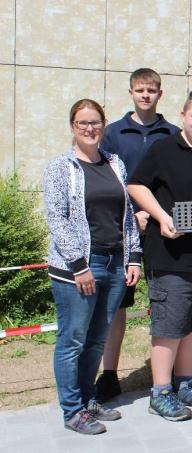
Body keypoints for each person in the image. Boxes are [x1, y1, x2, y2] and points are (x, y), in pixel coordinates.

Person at [128, 89, 192, 421]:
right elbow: (136, 185)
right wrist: (161, 216)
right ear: (184, 116)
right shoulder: (163, 149)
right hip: (170, 256)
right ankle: (160, 391)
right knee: (169, 325)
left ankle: (185, 382)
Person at [43, 99, 141, 434]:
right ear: (73, 126)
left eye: (95, 122)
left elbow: (127, 215)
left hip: (115, 263)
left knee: (97, 340)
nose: (90, 128)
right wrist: (78, 266)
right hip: (79, 268)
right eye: (83, 123)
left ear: (103, 124)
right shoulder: (61, 167)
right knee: (72, 339)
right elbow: (58, 220)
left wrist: (133, 257)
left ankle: (87, 401)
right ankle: (72, 410)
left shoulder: (115, 163)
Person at [96, 68, 179, 402]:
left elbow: (174, 181)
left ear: (161, 93)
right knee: (117, 304)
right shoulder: (113, 134)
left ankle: (170, 370)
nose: (146, 95)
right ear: (130, 92)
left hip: (163, 229)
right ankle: (110, 374)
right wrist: (133, 216)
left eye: (152, 90)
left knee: (169, 300)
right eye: (141, 90)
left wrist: (154, 215)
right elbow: (108, 181)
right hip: (123, 230)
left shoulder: (172, 133)